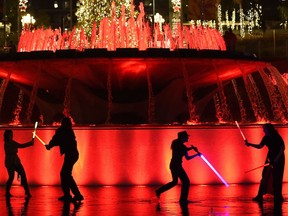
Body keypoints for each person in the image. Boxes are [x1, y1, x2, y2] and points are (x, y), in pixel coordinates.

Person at [155, 131, 201, 204]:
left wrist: (196, 155)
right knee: (186, 182)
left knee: (175, 182)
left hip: (175, 165)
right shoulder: (177, 144)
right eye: (187, 136)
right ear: (183, 137)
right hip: (175, 165)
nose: (188, 138)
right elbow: (182, 149)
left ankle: (159, 191)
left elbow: (187, 158)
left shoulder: (181, 146)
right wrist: (192, 149)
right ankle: (183, 200)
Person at [45, 117, 84, 202]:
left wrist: (49, 146)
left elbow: (57, 139)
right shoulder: (69, 131)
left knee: (65, 174)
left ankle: (76, 195)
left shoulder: (62, 131)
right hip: (73, 155)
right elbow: (58, 140)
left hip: (71, 155)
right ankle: (69, 195)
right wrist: (50, 145)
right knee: (65, 174)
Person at [245, 123, 285, 203]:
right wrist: (249, 144)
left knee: (277, 177)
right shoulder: (266, 137)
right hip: (270, 158)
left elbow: (282, 147)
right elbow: (260, 146)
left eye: (264, 129)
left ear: (269, 129)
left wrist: (276, 159)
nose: (263, 130)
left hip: (279, 158)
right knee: (265, 176)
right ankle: (259, 196)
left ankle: (278, 196)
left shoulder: (276, 136)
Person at [4, 130, 34, 198]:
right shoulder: (10, 143)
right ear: (7, 136)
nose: (12, 136)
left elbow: (19, 146)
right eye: (10, 135)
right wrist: (30, 143)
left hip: (11, 161)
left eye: (12, 135)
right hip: (13, 161)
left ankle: (8, 192)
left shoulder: (7, 143)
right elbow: (21, 146)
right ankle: (27, 192)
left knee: (13, 176)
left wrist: (30, 143)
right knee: (20, 175)